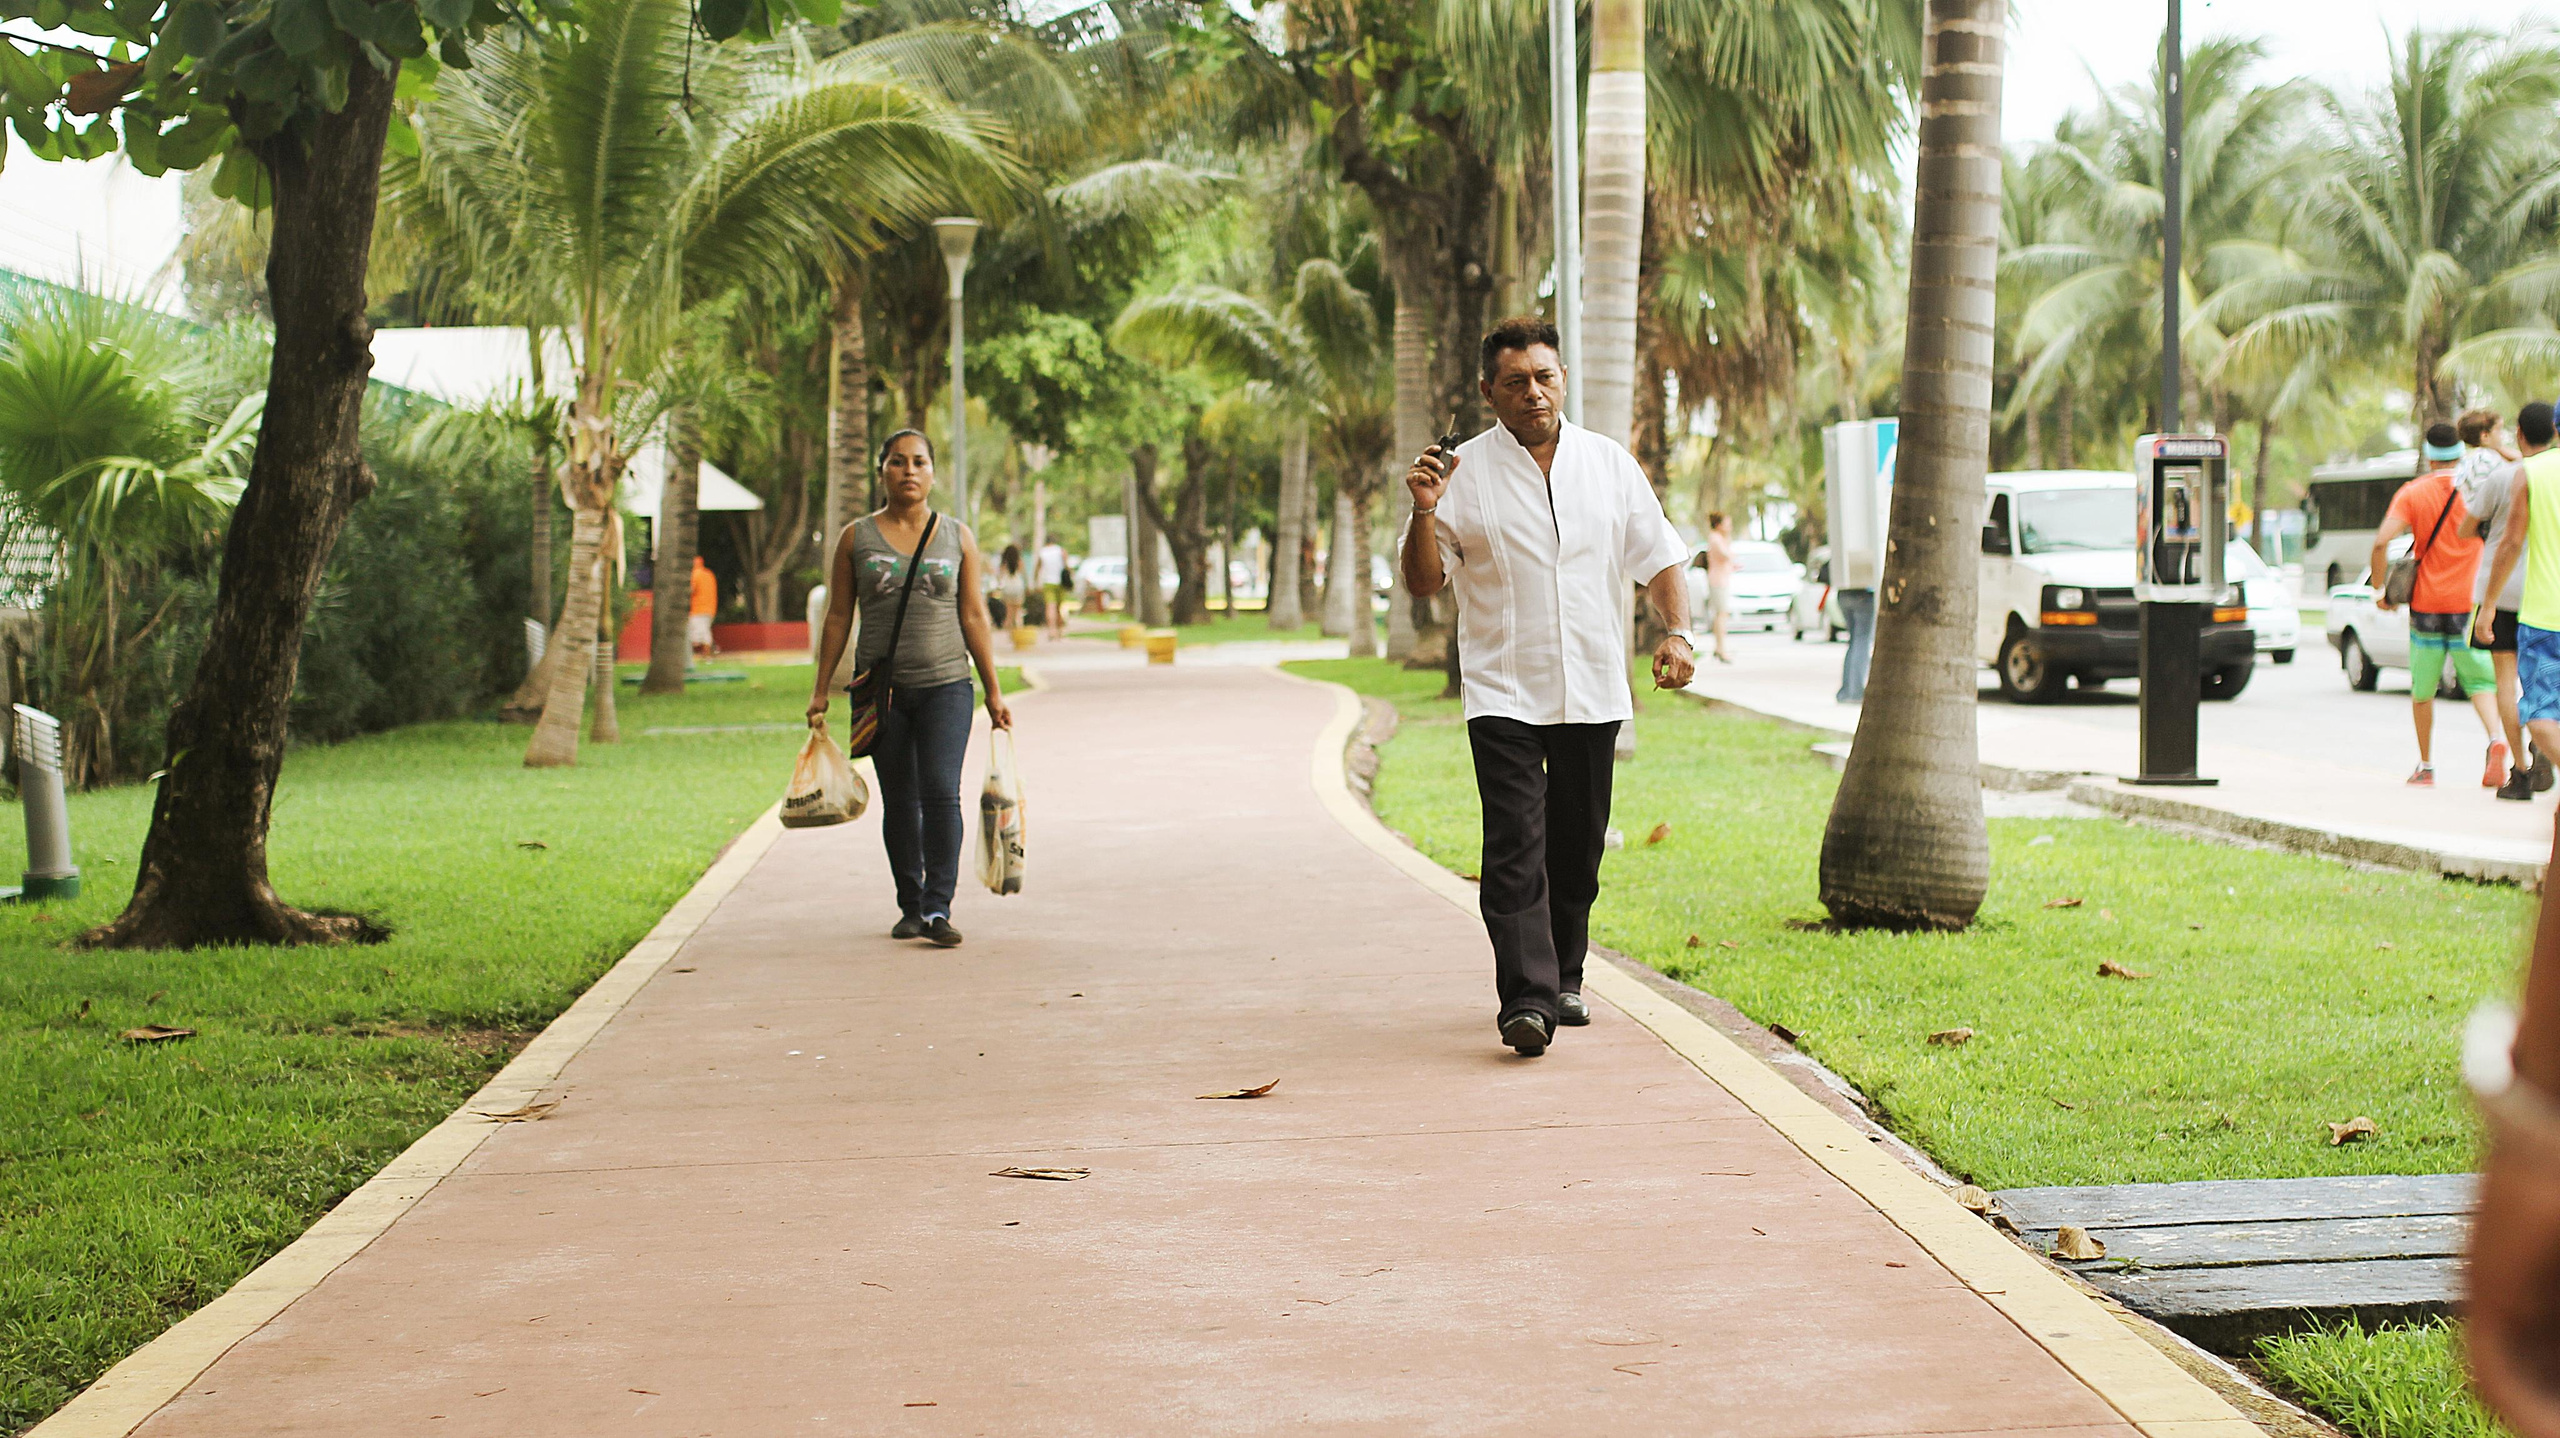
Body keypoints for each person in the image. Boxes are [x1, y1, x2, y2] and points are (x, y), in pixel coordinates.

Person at [1400, 316, 1696, 1058]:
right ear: (1487, 391)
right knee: (1513, 844)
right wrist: (1424, 509)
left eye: (1544, 377)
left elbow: (1658, 555)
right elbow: (1425, 581)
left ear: (1562, 379)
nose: (1533, 392)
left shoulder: (1608, 464)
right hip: (1502, 687)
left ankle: (1565, 974)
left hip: (1592, 684)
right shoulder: (1462, 473)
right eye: (1515, 382)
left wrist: (1678, 633)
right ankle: (1526, 1001)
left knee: (1577, 845)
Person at [809, 430, 1014, 948]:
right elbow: (838, 616)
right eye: (898, 462)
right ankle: (910, 905)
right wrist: (820, 689)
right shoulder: (856, 538)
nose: (909, 471)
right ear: (881, 470)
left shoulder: (957, 537)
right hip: (882, 693)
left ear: (932, 472)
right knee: (900, 799)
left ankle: (938, 907)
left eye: (919, 462)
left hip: (947, 686)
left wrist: (993, 691)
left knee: (941, 791)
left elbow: (974, 615)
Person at [2373, 422, 2499, 787]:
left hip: (2427, 605)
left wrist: (2380, 590)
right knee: (2480, 682)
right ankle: (2496, 740)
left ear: (2429, 457)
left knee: (2423, 689)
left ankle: (2426, 766)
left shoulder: (2413, 492)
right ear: (2460, 453)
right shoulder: (2478, 488)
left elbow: (2381, 542)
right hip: (2468, 602)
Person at [2470, 404, 2554, 800]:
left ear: (2519, 433)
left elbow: (2487, 534)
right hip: (2546, 595)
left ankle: (2519, 772)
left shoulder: (2514, 475)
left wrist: (2486, 604)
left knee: (2506, 683)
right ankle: (2545, 738)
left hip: (2509, 593)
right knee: (2547, 687)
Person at [1701, 511, 1736, 664]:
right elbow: (1726, 555)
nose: (1730, 527)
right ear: (1719, 525)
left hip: (1722, 579)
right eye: (1727, 524)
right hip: (1718, 581)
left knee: (1721, 615)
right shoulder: (1715, 538)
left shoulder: (1718, 538)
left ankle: (1719, 647)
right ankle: (1721, 649)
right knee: (1721, 614)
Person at [1037, 536, 1070, 638]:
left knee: (1050, 607)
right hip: (1060, 582)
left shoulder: (1042, 552)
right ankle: (1060, 630)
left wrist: (1036, 581)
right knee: (1059, 607)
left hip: (1048, 582)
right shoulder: (1061, 551)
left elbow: (1038, 568)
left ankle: (1051, 630)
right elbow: (1067, 566)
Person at [994, 543, 1030, 638]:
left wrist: (998, 586)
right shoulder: (1019, 561)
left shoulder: (1004, 563)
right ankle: (1019, 634)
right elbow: (1024, 575)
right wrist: (1028, 587)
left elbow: (999, 576)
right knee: (1018, 612)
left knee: (1009, 614)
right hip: (1018, 586)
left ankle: (1009, 635)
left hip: (1007, 587)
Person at [688, 554, 719, 660]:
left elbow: (691, 590)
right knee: (705, 631)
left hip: (698, 609)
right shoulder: (709, 574)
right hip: (711, 609)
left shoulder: (695, 574)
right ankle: (709, 653)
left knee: (697, 634)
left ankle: (705, 655)